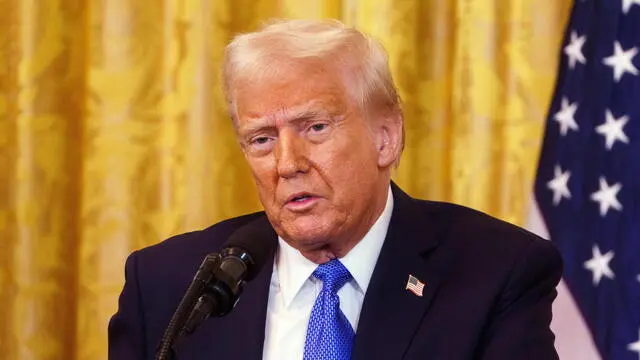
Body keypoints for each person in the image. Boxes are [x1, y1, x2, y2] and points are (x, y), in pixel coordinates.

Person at [108, 19, 563, 360]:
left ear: (386, 137)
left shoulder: (496, 273)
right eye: (262, 139)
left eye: (316, 127)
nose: (287, 164)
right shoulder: (172, 288)